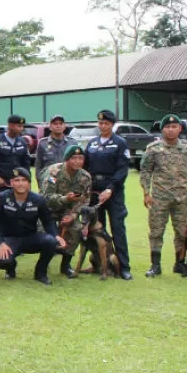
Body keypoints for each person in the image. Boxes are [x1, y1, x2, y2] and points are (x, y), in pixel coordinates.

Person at [139, 114, 187, 278]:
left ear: (180, 129)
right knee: (156, 232)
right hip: (159, 198)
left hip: (181, 198)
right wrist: (146, 193)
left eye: (174, 127)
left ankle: (180, 264)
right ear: (162, 129)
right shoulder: (153, 148)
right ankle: (155, 265)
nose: (171, 129)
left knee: (182, 232)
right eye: (167, 127)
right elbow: (145, 171)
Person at [0, 167, 66, 285]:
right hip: (9, 239)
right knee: (3, 261)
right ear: (11, 183)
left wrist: (56, 235)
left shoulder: (38, 200)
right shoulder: (1, 198)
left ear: (29, 183)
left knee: (51, 241)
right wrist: (0, 243)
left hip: (31, 237)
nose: (20, 183)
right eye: (17, 180)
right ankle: (10, 268)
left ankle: (40, 272)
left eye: (24, 180)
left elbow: (48, 220)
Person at [83, 109, 132, 280]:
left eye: (106, 123)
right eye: (101, 123)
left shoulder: (120, 143)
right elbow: (85, 167)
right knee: (96, 230)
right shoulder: (92, 143)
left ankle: (124, 267)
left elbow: (122, 169)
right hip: (95, 192)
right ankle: (97, 264)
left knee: (118, 228)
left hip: (113, 191)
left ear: (112, 125)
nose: (103, 126)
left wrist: (110, 188)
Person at [39, 145, 92, 278]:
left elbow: (85, 200)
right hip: (48, 210)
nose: (78, 161)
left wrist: (73, 215)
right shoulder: (53, 172)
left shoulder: (85, 177)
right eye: (74, 158)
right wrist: (64, 198)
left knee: (77, 229)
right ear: (67, 159)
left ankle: (65, 264)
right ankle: (43, 265)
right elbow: (46, 197)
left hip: (69, 211)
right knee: (46, 235)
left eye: (81, 158)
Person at [0, 114, 30, 195]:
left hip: (18, 182)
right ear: (10, 125)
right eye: (19, 126)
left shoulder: (22, 142)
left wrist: (27, 179)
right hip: (2, 182)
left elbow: (26, 163)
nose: (21, 128)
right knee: (0, 205)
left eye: (22, 126)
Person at [35, 114, 77, 189]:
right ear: (50, 126)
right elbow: (38, 166)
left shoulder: (72, 143)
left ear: (64, 126)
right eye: (55, 124)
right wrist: (40, 184)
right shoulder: (43, 143)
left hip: (68, 183)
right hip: (49, 182)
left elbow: (77, 165)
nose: (58, 126)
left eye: (61, 123)